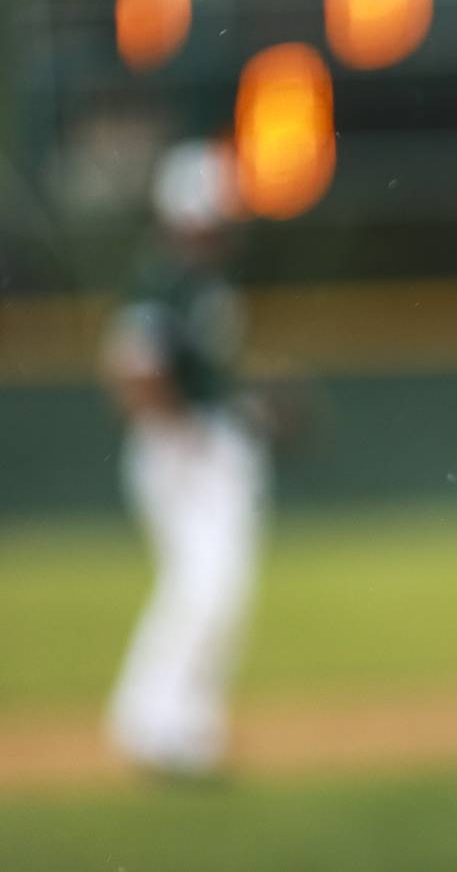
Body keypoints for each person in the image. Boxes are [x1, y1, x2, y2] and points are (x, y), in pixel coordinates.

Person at [102, 139, 268, 778]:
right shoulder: (162, 279)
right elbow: (132, 369)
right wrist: (180, 432)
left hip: (204, 440)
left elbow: (202, 370)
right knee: (203, 584)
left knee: (221, 588)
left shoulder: (198, 280)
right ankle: (147, 720)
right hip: (181, 449)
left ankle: (189, 726)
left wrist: (246, 407)